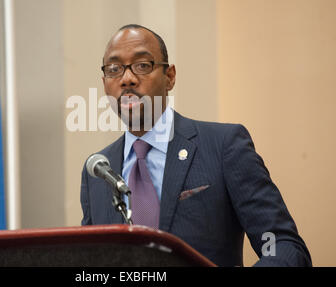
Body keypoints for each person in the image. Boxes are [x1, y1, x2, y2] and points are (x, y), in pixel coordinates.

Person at [80, 24, 312, 267]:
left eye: (142, 65)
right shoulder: (97, 171)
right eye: (114, 69)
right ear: (105, 83)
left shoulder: (223, 146)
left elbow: (284, 246)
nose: (127, 79)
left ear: (169, 77)